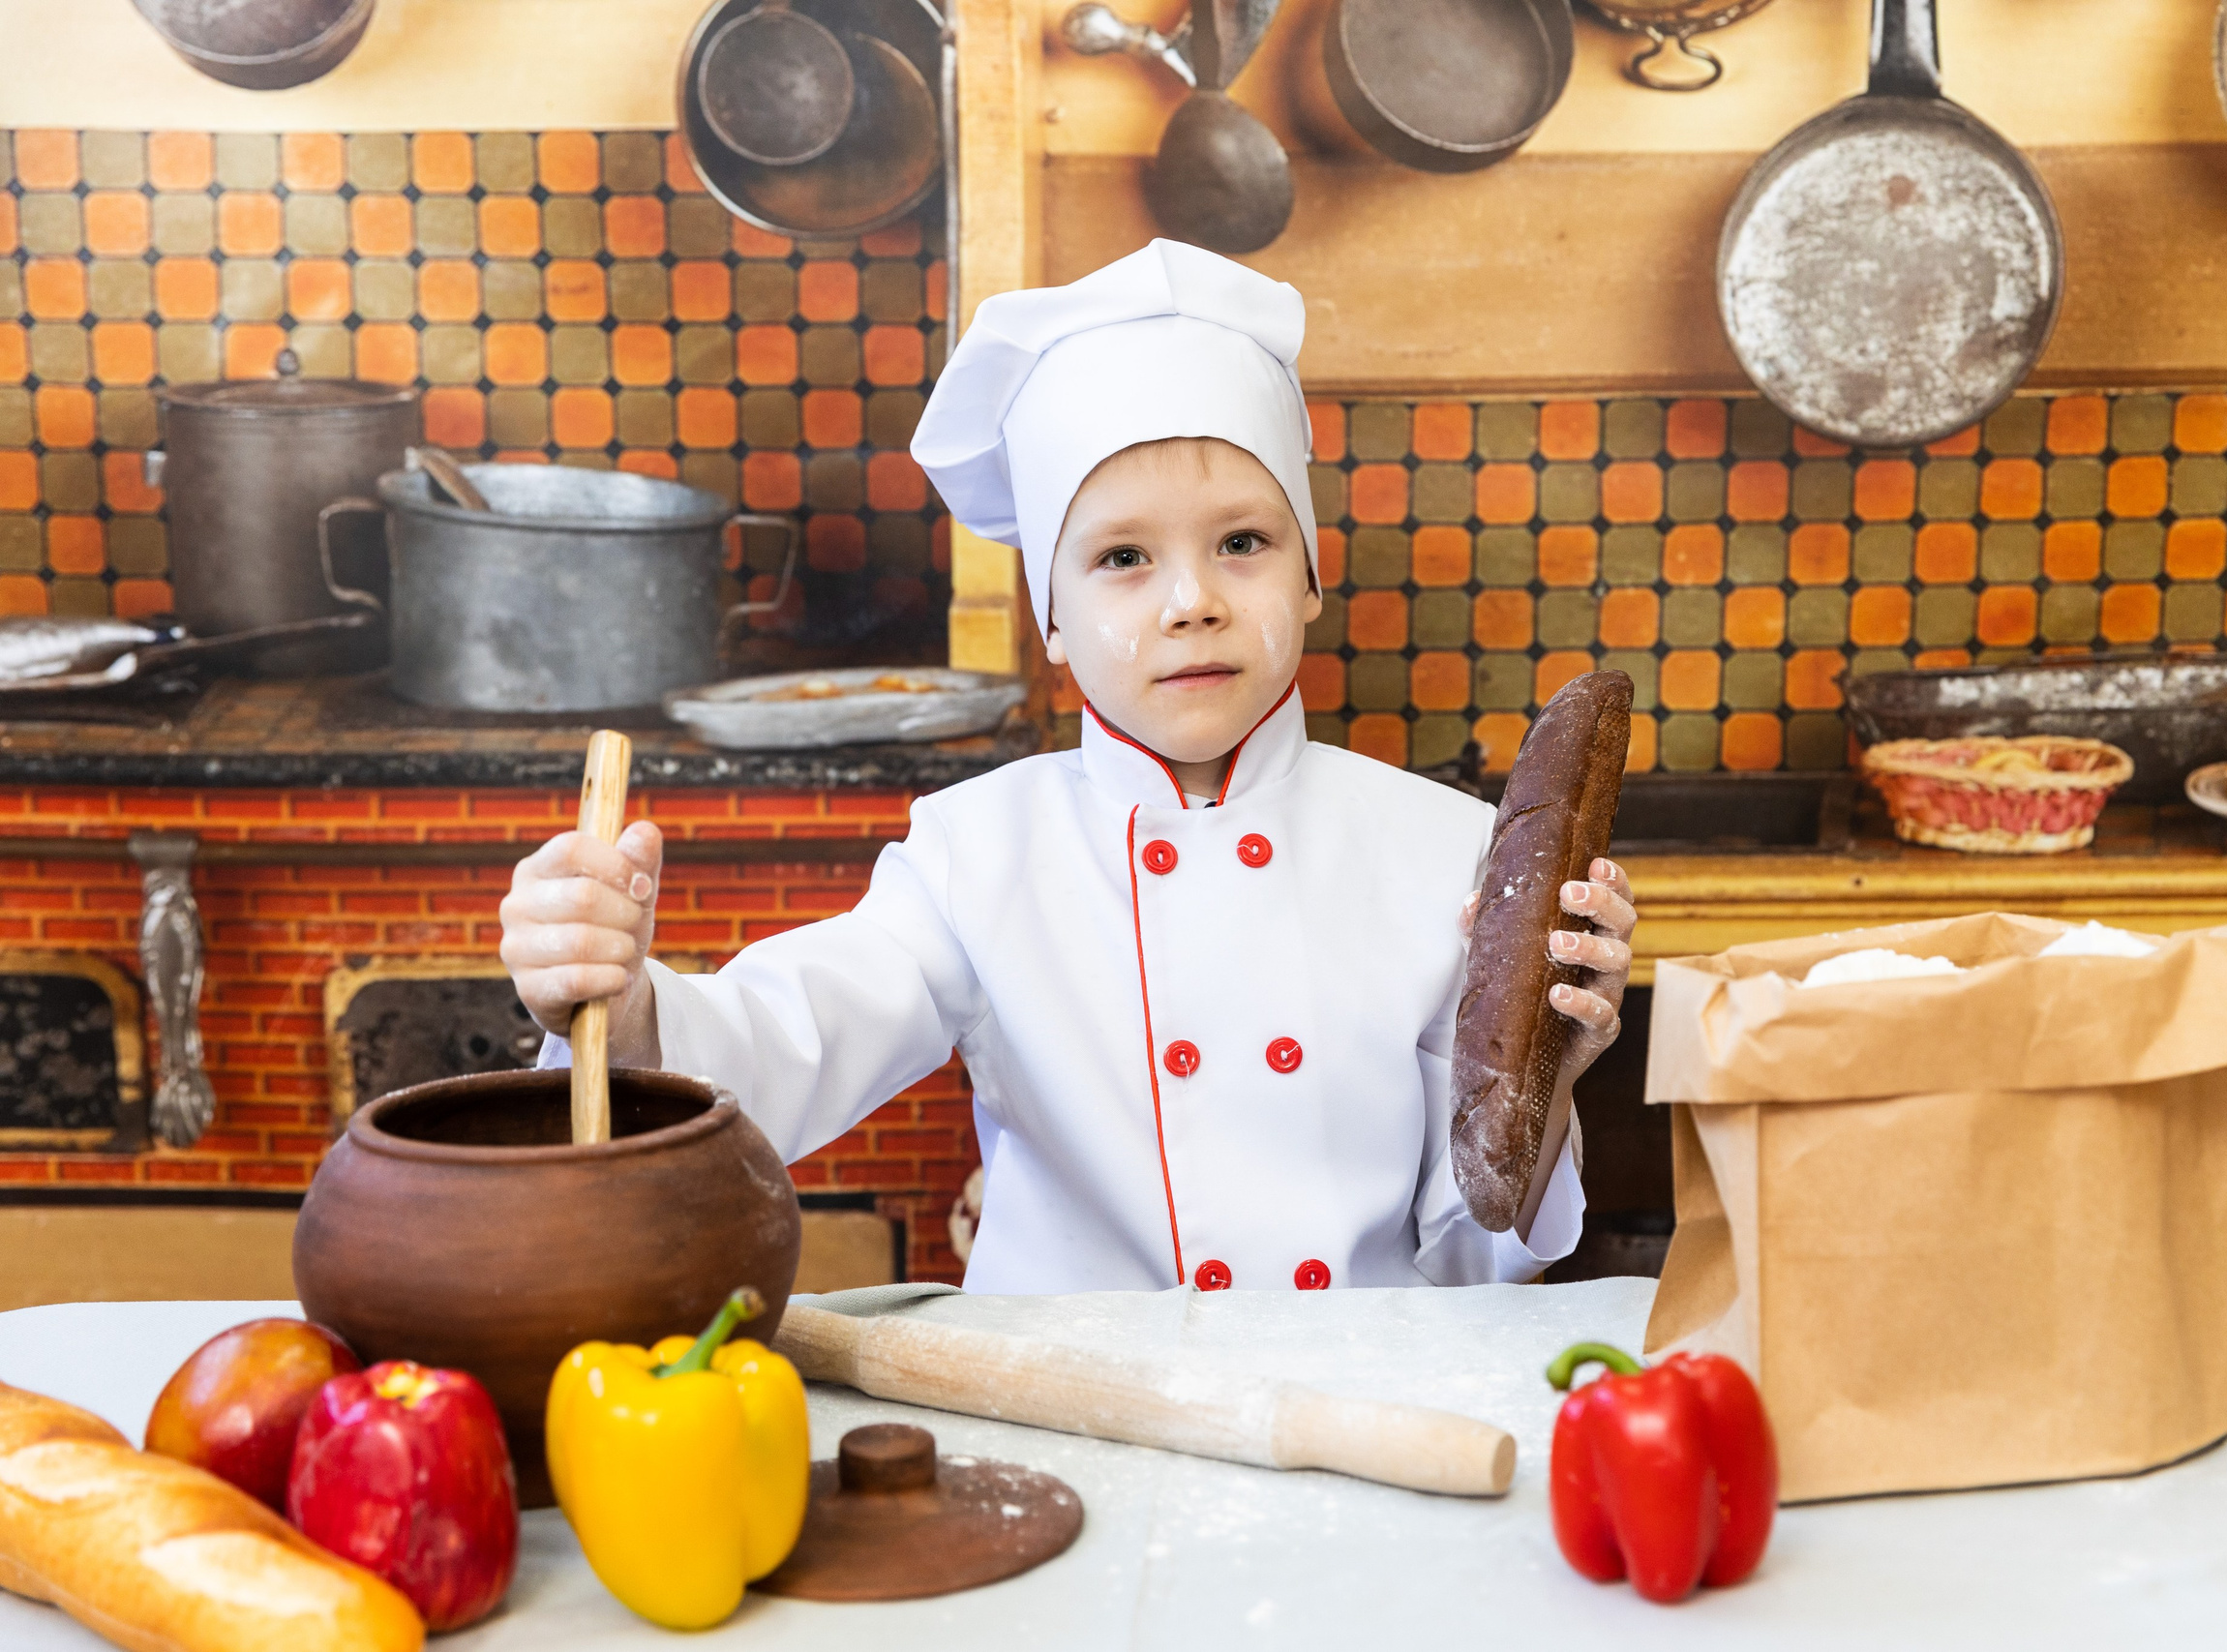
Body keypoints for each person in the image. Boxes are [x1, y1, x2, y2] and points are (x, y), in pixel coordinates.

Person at [498, 239, 1637, 1292]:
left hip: (1359, 1419)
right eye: (1122, 558)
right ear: (1050, 617)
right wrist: (621, 999)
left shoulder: (1446, 850)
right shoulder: (978, 855)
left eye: (1242, 542)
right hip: (1069, 1433)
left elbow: (1478, 1254)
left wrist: (1552, 1073)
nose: (1191, 602)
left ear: (1309, 576)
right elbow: (780, 1048)